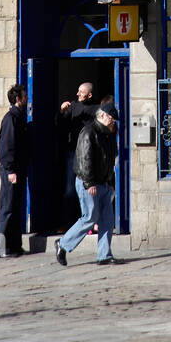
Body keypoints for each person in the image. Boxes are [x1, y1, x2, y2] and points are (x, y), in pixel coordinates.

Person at [55, 101, 119, 267]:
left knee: (107, 219)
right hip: (88, 182)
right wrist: (89, 182)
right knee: (89, 218)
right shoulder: (89, 132)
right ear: (102, 115)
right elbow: (85, 159)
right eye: (111, 118)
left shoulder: (109, 133)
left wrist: (110, 181)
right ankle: (63, 244)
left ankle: (104, 255)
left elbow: (110, 159)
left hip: (103, 183)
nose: (113, 121)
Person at [0, 84, 29, 257]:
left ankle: (14, 246)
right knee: (7, 208)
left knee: (15, 208)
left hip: (18, 169)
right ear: (18, 99)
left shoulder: (20, 118)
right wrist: (10, 170)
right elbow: (6, 147)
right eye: (24, 96)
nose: (27, 99)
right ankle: (0, 248)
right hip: (11, 170)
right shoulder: (11, 118)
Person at [58, 82, 98, 225]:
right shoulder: (73, 107)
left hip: (89, 155)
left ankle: (89, 221)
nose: (77, 94)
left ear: (90, 94)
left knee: (89, 188)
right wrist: (62, 112)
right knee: (70, 189)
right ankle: (69, 223)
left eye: (81, 92)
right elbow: (60, 125)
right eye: (78, 91)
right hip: (73, 153)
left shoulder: (96, 110)